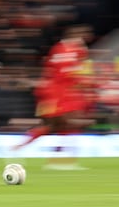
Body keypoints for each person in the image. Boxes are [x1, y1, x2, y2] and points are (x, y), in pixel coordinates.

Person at [13, 25, 95, 169]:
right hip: (59, 95)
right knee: (67, 124)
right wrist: (86, 82)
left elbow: (51, 70)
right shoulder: (76, 50)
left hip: (49, 94)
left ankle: (20, 148)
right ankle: (61, 159)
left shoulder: (58, 48)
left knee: (54, 126)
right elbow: (73, 74)